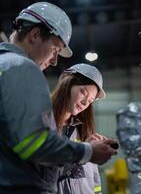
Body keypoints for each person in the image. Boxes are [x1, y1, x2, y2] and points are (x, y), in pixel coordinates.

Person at [0, 2, 117, 194]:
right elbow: (34, 144)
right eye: (55, 49)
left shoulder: (4, 65)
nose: (55, 61)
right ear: (35, 35)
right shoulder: (22, 67)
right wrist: (88, 152)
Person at [51, 63, 108, 194]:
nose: (84, 103)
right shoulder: (43, 124)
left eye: (90, 101)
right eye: (83, 93)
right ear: (67, 84)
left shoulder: (83, 130)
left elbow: (94, 181)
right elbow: (41, 172)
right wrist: (83, 152)